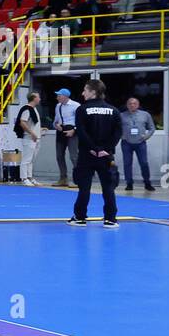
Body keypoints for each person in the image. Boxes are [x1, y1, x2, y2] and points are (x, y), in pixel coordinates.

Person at [69, 80, 122, 228]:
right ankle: (110, 219)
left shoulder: (82, 109)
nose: (83, 93)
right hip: (106, 155)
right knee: (108, 188)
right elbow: (117, 133)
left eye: (85, 90)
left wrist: (92, 148)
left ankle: (80, 217)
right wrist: (106, 149)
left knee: (84, 187)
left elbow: (81, 131)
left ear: (93, 92)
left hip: (87, 154)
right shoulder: (114, 110)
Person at [119, 96, 155, 192]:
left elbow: (152, 128)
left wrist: (146, 136)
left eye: (134, 103)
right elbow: (115, 128)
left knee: (144, 163)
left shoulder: (145, 115)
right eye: (130, 103)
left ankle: (147, 183)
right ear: (127, 105)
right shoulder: (121, 115)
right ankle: (129, 183)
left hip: (140, 143)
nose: (132, 105)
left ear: (138, 105)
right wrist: (121, 136)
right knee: (127, 163)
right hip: (126, 143)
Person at [51, 87, 80, 187]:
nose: (57, 97)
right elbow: (55, 120)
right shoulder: (58, 106)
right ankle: (63, 178)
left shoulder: (76, 106)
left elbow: (80, 121)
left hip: (72, 130)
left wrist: (74, 130)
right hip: (61, 131)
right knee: (59, 156)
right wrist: (56, 125)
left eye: (59, 96)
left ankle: (78, 179)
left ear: (65, 96)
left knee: (74, 156)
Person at [14, 91, 42, 186]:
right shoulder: (26, 109)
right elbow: (22, 122)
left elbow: (33, 123)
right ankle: (24, 178)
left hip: (36, 137)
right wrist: (32, 133)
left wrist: (40, 130)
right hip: (29, 138)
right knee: (26, 159)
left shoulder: (34, 109)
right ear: (34, 98)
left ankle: (30, 177)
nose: (40, 99)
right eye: (38, 97)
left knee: (31, 159)